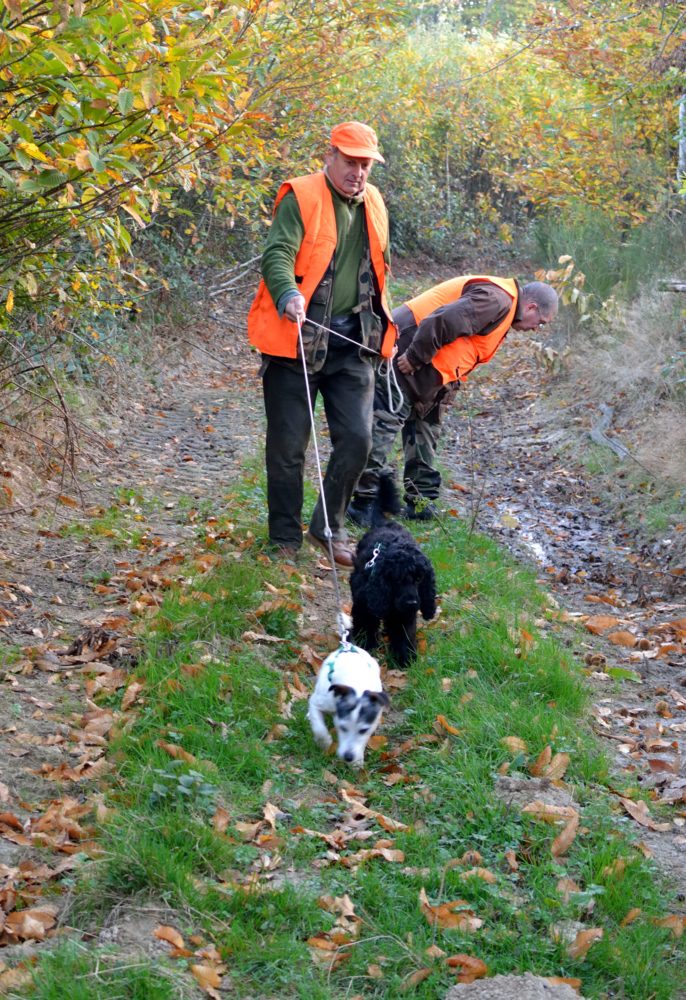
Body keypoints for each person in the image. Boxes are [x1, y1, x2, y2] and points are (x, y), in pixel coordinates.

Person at [247, 122, 396, 566]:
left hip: (353, 343)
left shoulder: (375, 202)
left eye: (365, 164)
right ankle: (284, 539)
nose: (358, 172)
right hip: (295, 341)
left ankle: (326, 527)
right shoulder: (302, 195)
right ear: (329, 156)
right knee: (288, 447)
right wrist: (287, 293)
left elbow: (380, 267)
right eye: (350, 161)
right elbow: (276, 253)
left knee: (358, 440)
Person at [347, 276, 559, 525]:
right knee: (385, 426)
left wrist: (442, 392)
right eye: (541, 323)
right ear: (531, 307)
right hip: (405, 349)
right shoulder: (497, 300)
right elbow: (442, 320)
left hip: (427, 370)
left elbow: (462, 347)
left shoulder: (505, 307)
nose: (536, 329)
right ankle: (362, 504)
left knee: (426, 427)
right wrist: (415, 357)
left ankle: (421, 503)